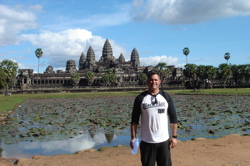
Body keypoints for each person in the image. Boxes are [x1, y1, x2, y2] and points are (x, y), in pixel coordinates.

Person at [130, 71, 178, 166]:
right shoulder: (140, 98)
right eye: (151, 80)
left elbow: (173, 118)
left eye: (156, 80)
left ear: (160, 81)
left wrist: (174, 137)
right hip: (147, 141)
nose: (153, 82)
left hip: (163, 140)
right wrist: (133, 138)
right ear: (147, 81)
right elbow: (134, 121)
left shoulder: (166, 97)